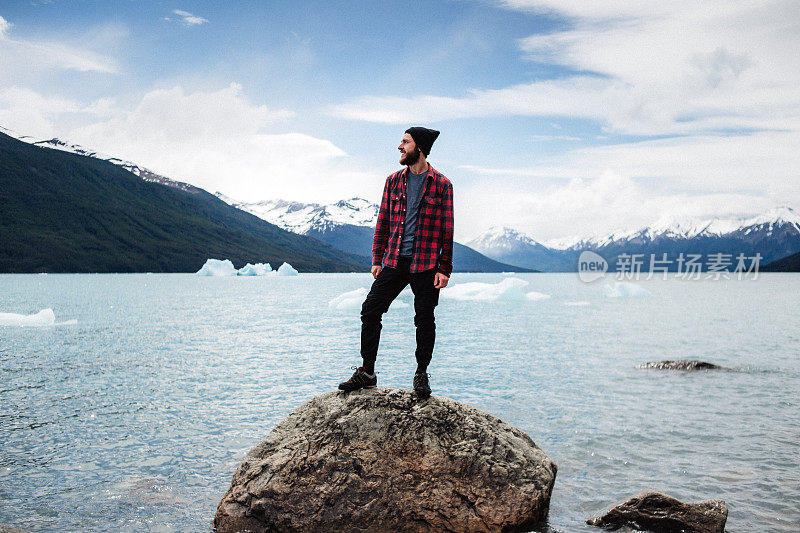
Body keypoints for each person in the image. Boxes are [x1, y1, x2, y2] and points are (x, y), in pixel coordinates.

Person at [339, 127, 454, 399]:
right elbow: (384, 222)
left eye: (405, 142)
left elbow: (447, 231)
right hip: (393, 260)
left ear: (420, 147)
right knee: (370, 309)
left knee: (424, 319)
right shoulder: (393, 181)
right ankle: (367, 372)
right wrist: (377, 258)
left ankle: (421, 373)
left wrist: (444, 268)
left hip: (426, 263)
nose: (399, 147)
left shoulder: (442, 184)